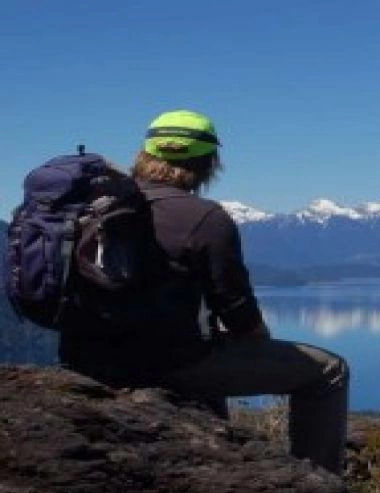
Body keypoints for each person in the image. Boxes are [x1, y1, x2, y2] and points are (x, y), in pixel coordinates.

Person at [58, 109, 349, 473]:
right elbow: (236, 309)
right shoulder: (204, 217)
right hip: (165, 364)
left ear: (145, 153)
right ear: (209, 162)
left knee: (203, 353)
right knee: (327, 372)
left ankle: (216, 447)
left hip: (83, 358)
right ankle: (321, 485)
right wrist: (257, 343)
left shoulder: (88, 205)